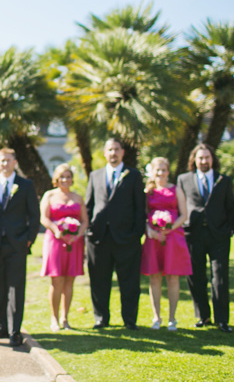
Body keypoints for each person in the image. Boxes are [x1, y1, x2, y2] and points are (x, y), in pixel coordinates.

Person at [84, 138, 146, 330]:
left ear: (122, 152)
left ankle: (129, 320)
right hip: (99, 238)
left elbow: (139, 207)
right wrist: (89, 231)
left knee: (129, 282)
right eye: (110, 149)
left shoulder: (134, 175)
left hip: (127, 238)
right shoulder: (95, 175)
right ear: (104, 153)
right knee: (99, 281)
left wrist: (137, 233)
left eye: (116, 149)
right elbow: (89, 205)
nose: (113, 153)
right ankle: (101, 318)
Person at [0, 148, 41, 347]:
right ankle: (2, 327)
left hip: (18, 244)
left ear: (15, 162)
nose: (5, 164)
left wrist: (29, 239)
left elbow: (34, 215)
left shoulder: (25, 185)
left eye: (8, 160)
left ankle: (15, 331)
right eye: (2, 161)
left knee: (16, 289)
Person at [177, 143, 234, 333]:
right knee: (196, 277)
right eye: (200, 158)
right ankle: (203, 316)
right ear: (194, 160)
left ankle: (222, 319)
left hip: (218, 235)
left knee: (220, 277)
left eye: (207, 157)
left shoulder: (224, 180)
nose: (203, 161)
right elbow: (179, 205)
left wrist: (229, 230)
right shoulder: (183, 179)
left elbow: (230, 207)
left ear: (212, 159)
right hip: (193, 234)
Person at [140, 157, 192, 331]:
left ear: (168, 172)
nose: (160, 173)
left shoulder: (176, 190)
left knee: (172, 276)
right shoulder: (148, 192)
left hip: (173, 238)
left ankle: (172, 318)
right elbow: (143, 214)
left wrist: (169, 228)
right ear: (152, 172)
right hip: (153, 238)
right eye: (157, 170)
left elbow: (184, 214)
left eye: (163, 170)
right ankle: (156, 317)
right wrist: (151, 231)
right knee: (154, 277)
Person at [39, 163, 87, 331]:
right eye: (62, 177)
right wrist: (56, 230)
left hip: (74, 242)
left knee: (69, 281)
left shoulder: (78, 197)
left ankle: (65, 318)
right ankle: (54, 318)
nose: (65, 179)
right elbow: (44, 218)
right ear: (56, 179)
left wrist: (78, 234)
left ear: (72, 179)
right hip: (55, 241)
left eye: (68, 176)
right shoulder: (49, 195)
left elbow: (84, 220)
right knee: (56, 280)